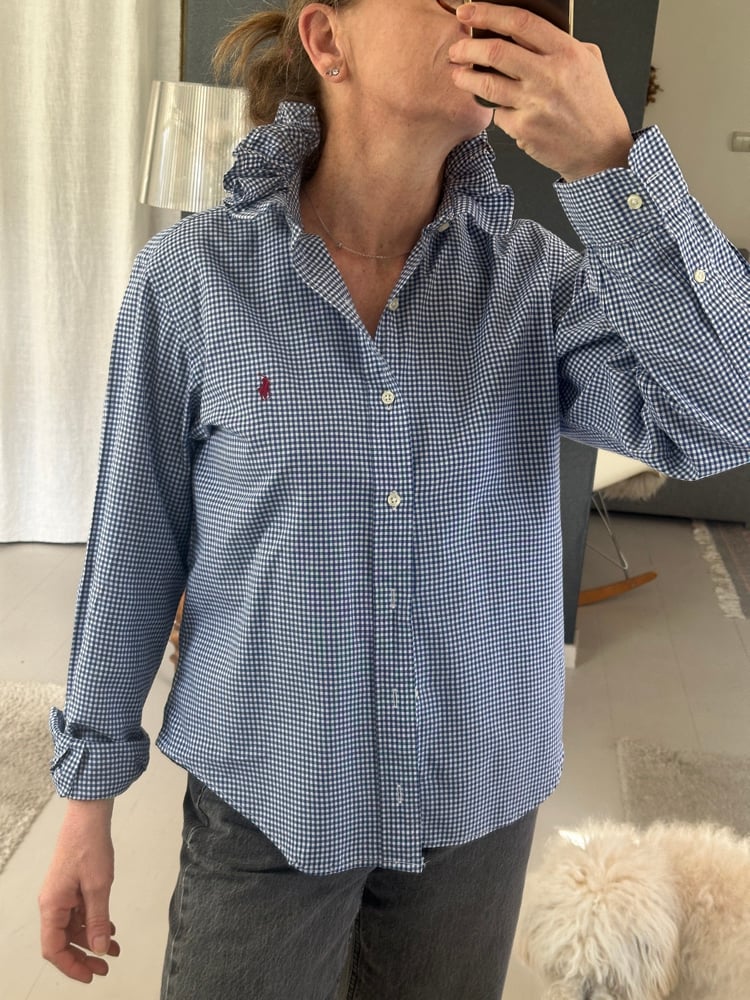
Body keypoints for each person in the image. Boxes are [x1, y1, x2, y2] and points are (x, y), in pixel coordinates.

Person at [39, 2, 750, 998]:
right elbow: (135, 548)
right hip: (268, 792)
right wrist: (86, 801)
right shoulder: (191, 282)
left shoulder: (539, 287)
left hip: (476, 803)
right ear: (329, 41)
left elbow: (728, 417)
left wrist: (612, 165)